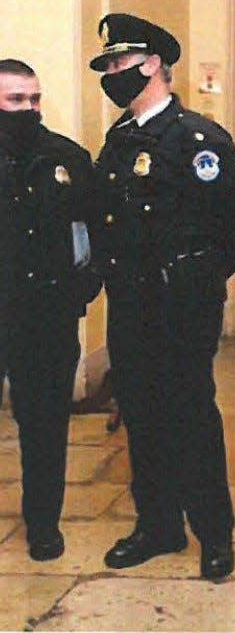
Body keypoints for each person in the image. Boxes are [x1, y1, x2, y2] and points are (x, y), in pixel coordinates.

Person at [87, 13, 235, 580]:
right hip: (129, 304)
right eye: (107, 66)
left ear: (153, 64)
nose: (111, 74)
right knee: (140, 413)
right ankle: (157, 527)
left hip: (181, 308)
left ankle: (213, 534)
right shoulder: (118, 140)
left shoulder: (197, 139)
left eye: (119, 63)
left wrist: (194, 283)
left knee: (189, 415)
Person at [0, 58, 98, 561]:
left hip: (46, 316)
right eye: (16, 100)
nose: (28, 109)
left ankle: (43, 524)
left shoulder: (66, 157)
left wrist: (81, 288)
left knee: (44, 426)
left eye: (34, 99)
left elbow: (91, 230)